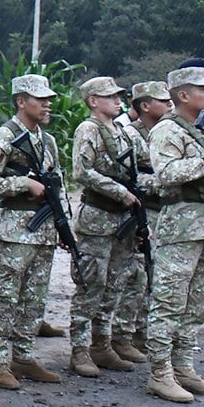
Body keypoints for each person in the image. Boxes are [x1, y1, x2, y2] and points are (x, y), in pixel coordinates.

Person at [144, 63, 204, 401]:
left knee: (196, 303)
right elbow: (167, 174)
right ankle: (160, 373)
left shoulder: (200, 129)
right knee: (169, 301)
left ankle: (183, 367)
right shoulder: (167, 130)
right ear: (183, 95)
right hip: (182, 227)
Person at [0, 74, 66, 389]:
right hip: (12, 231)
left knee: (34, 299)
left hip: (43, 231)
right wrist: (22, 183)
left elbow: (57, 183)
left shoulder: (46, 139)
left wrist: (65, 224)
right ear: (21, 101)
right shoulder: (3, 138)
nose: (47, 104)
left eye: (48, 99)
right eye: (40, 99)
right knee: (6, 298)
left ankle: (23, 357)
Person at [65, 76, 141, 377]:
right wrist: (119, 191)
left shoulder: (122, 130)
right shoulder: (89, 129)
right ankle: (80, 350)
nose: (117, 100)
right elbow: (82, 171)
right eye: (109, 96)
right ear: (93, 100)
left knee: (115, 283)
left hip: (122, 220)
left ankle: (102, 343)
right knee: (90, 285)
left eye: (118, 96)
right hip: (98, 217)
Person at [111, 82, 170, 364]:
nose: (169, 104)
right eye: (163, 100)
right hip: (140, 210)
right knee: (135, 275)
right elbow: (128, 178)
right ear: (145, 105)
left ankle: (140, 332)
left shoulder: (165, 131)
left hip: (161, 211)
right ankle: (122, 335)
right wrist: (162, 183)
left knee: (152, 275)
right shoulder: (130, 135)